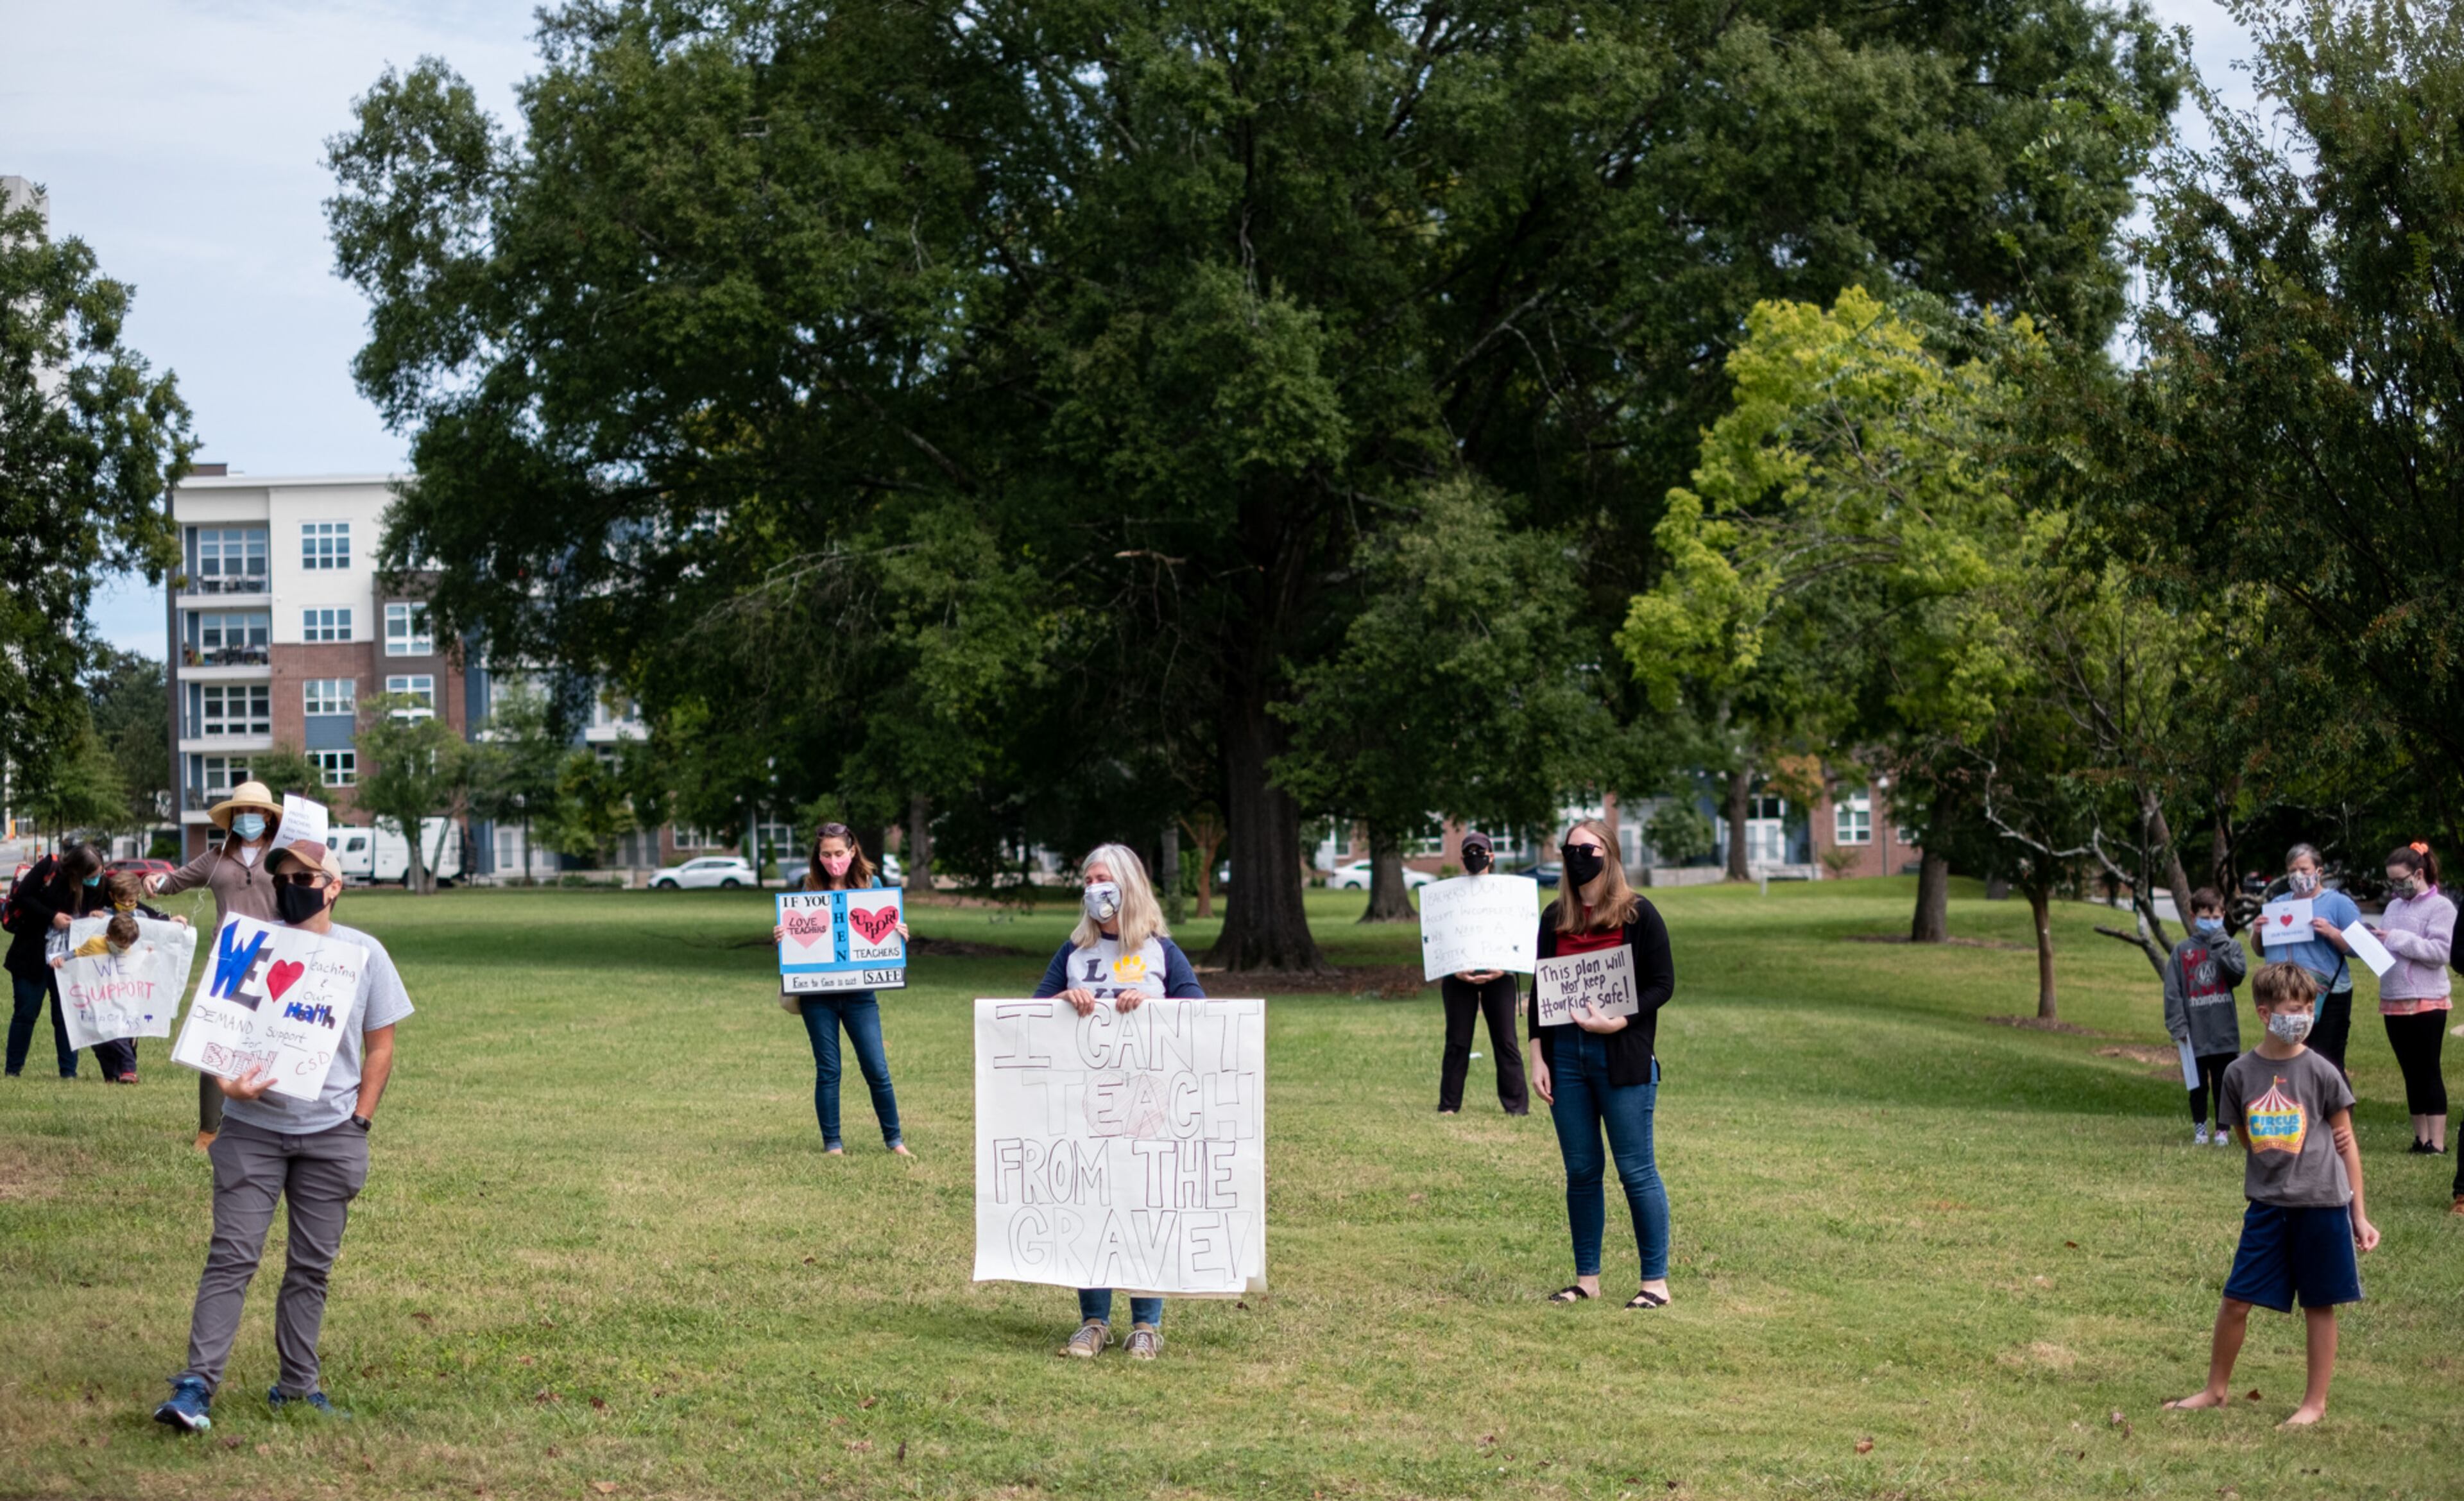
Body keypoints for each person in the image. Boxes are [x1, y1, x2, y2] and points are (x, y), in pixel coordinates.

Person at [152, 838, 411, 1433]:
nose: (290, 885)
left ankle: (297, 1387)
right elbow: (215, 1032)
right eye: (283, 876)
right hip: (252, 1131)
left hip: (332, 1135)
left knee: (311, 1269)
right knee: (232, 1257)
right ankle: (196, 1386)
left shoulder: (365, 954)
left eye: (304, 876)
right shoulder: (248, 944)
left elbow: (382, 1045)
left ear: (334, 886)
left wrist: (361, 1119)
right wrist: (226, 1085)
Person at [2164, 962, 2378, 1427]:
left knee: (2319, 1303)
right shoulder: (2240, 1073)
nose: (2302, 1015)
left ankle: (2314, 1404)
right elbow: (2245, 1134)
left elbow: (2347, 1143)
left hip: (2323, 1205)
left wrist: (2358, 1215)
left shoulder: (2323, 1071)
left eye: (2307, 1007)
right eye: (2292, 1008)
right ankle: (2215, 1390)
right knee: (2236, 1298)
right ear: (2265, 1013)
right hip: (2267, 1206)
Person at [1032, 843, 1204, 1360]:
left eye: (1103, 878)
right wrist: (1063, 1001)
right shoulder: (1074, 952)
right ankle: (1093, 1320)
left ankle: (1146, 1323)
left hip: (1147, 1105)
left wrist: (1154, 1006)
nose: (1093, 889)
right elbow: (1030, 1013)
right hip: (1084, 1105)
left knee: (1144, 1206)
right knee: (1090, 1208)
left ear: (1128, 884)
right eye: (1087, 880)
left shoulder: (1160, 952)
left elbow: (1198, 1011)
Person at [1525, 819, 1675, 1310]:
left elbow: (1662, 984)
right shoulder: (1554, 917)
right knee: (1582, 1170)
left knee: (1636, 1169)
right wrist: (1537, 1056)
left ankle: (1655, 1282)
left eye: (1586, 848)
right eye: (1569, 849)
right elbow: (1541, 990)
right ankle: (1586, 1279)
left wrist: (1621, 1020)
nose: (1577, 856)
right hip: (1566, 1056)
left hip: (1622, 1054)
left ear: (1608, 853)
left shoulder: (1639, 914)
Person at [149, 780, 286, 1148]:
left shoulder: (281, 855)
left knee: (269, 1042)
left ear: (269, 818)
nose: (248, 818)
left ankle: (265, 1123)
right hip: (226, 962)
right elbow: (174, 882)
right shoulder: (215, 858)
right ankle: (209, 1129)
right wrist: (155, 882)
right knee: (214, 1044)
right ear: (232, 818)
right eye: (241, 812)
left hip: (275, 963)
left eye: (255, 812)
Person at [767, 823, 911, 1157]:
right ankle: (833, 1144)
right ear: (818, 857)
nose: (833, 860)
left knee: (877, 1067)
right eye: (826, 854)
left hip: (861, 995)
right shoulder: (808, 890)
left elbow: (885, 932)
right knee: (829, 1069)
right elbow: (803, 944)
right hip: (819, 997)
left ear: (852, 851)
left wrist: (899, 934)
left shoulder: (871, 886)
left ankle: (895, 1141)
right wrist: (782, 939)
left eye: (838, 853)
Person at [2364, 842, 2453, 1172]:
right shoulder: (2394, 907)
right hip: (2394, 998)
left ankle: (2438, 1142)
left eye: (2400, 880)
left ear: (2418, 874)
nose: (2396, 887)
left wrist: (2397, 939)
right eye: (2391, 882)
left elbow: (2441, 952)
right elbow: (2388, 943)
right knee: (2410, 1072)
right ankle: (2420, 1138)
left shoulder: (2441, 907)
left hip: (2427, 1001)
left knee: (2428, 1069)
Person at [1438, 830, 1528, 1116]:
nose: (1475, 857)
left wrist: (1505, 966)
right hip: (1459, 977)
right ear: (1462, 857)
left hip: (1499, 977)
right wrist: (1454, 967)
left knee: (1506, 1040)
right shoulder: (1448, 895)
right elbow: (1440, 935)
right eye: (1469, 853)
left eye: (1480, 852)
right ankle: (1449, 1104)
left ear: (1491, 856)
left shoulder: (1509, 893)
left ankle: (1516, 1106)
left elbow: (1522, 934)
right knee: (1457, 1041)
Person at [5, 842, 112, 1081]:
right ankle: (13, 1070)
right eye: (92, 875)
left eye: (100, 873)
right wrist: (52, 916)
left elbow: (122, 901)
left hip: (69, 959)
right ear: (76, 871)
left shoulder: (100, 883)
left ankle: (68, 1073)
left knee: (65, 1015)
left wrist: (97, 914)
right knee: (25, 1013)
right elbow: (23, 897)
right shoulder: (50, 868)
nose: (97, 879)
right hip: (31, 953)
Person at [2254, 844, 2363, 1074]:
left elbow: (2361, 949)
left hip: (2329, 995)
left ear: (2319, 871)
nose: (2298, 876)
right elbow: (2259, 951)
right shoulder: (2278, 904)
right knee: (2291, 1061)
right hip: (2284, 995)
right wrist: (2257, 932)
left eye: (2304, 870)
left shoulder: (2338, 903)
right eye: (2292, 871)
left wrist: (2332, 932)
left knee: (2328, 1064)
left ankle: (2336, 1109)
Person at [2164, 888, 2247, 1146]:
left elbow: (2237, 975)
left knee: (2224, 1084)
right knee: (2198, 1086)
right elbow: (2173, 991)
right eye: (2205, 917)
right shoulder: (2182, 951)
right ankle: (2200, 1128)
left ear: (2223, 915)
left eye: (2215, 917)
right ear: (2193, 917)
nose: (2210, 922)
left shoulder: (2232, 946)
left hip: (2224, 1032)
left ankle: (2223, 1130)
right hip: (2194, 1032)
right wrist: (2178, 1025)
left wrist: (2220, 944)